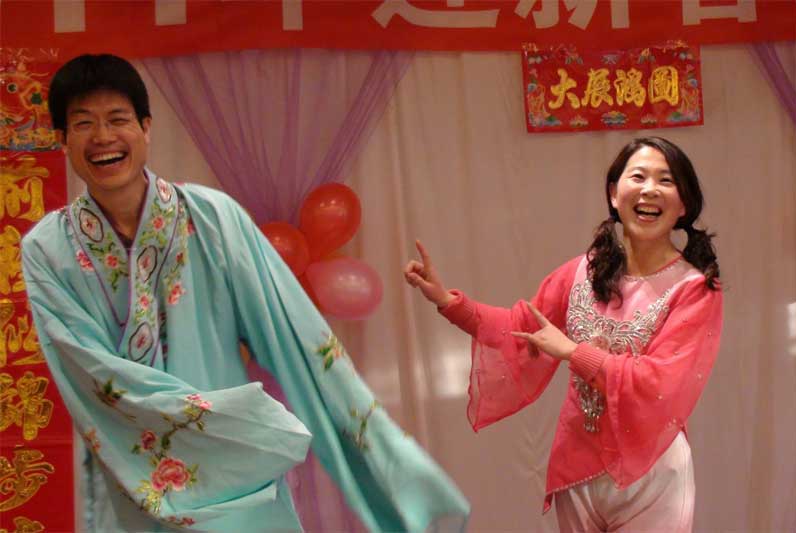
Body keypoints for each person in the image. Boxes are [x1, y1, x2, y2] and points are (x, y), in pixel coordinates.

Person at [21, 54, 469, 532]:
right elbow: (92, 374)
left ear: (146, 128)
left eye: (118, 119)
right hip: (133, 485)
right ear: (62, 140)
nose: (103, 137)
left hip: (239, 484)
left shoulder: (215, 219)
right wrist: (243, 422)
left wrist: (387, 451)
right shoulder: (48, 250)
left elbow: (300, 339)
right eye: (83, 124)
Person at [404, 137, 722, 532]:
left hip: (651, 471)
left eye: (666, 180)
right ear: (614, 193)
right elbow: (520, 329)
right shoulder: (581, 272)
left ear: (684, 204)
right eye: (638, 177)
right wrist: (448, 301)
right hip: (577, 469)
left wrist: (574, 353)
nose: (649, 189)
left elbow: (661, 383)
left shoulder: (694, 290)